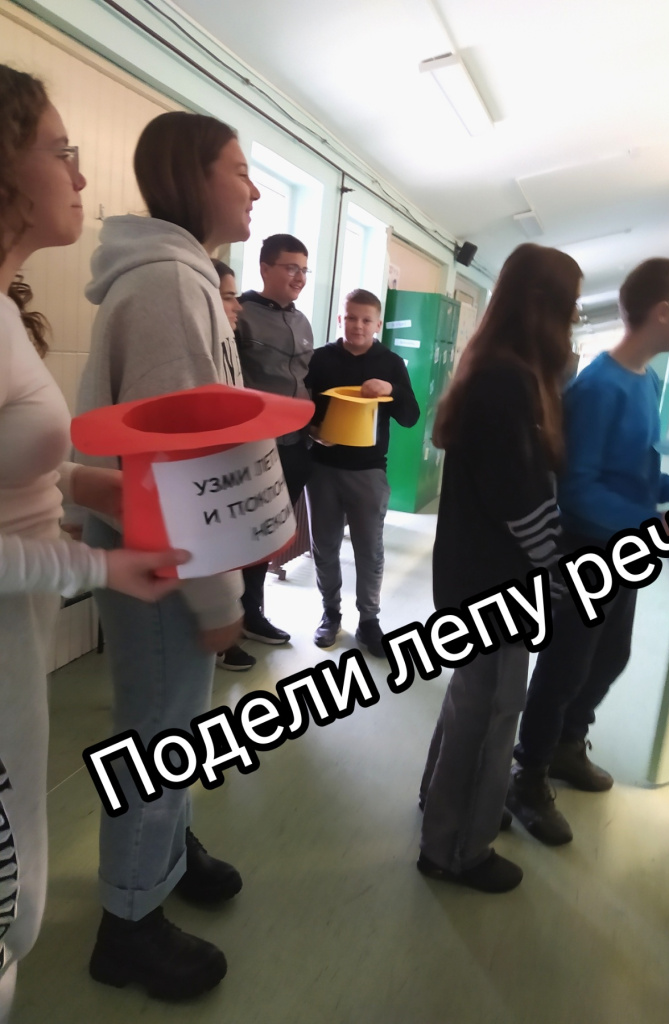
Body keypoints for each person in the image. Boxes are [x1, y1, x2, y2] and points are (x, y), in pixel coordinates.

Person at [0, 66, 188, 1022]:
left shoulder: (6, 308)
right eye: (60, 151)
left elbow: (10, 464)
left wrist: (88, 483)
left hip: (18, 637)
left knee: (18, 879)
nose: (81, 175)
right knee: (9, 893)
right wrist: (104, 565)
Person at [76, 110, 260, 1000]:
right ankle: (130, 922)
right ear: (195, 177)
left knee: (176, 722)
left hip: (165, 546)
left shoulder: (182, 278)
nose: (254, 188)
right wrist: (219, 597)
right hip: (159, 552)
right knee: (160, 733)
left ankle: (167, 851)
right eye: (240, 169)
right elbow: (177, 463)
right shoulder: (166, 288)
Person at [507, 257, 669, 846]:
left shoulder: (647, 381)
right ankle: (527, 776)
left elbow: (636, 470)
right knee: (566, 665)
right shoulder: (597, 387)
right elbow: (578, 489)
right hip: (588, 548)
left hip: (626, 548)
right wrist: (651, 521)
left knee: (611, 657)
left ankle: (567, 745)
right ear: (662, 311)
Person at [418, 243, 582, 893]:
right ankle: (456, 849)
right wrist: (562, 575)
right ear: (542, 305)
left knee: (470, 704)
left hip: (474, 577)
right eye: (570, 305)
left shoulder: (494, 369)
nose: (574, 319)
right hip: (494, 584)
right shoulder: (508, 382)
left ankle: (440, 805)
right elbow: (522, 499)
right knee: (490, 714)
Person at [305, 288, 419, 657]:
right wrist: (312, 431)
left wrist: (392, 389)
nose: (358, 325)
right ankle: (330, 613)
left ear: (377, 324)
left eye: (366, 320)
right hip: (322, 468)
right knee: (324, 546)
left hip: (369, 470)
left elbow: (411, 416)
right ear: (341, 319)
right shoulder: (319, 359)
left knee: (370, 550)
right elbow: (301, 407)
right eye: (351, 317)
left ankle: (369, 621)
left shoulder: (390, 363)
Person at [235, 233, 314, 645]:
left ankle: (253, 612)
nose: (299, 277)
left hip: (296, 446)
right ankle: (234, 615)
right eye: (290, 267)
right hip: (254, 448)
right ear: (265, 268)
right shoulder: (241, 314)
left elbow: (306, 379)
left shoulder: (302, 322)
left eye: (304, 269)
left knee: (269, 534)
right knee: (243, 534)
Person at [211, 257, 257, 673]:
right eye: (228, 297)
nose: (237, 306)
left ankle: (224, 639)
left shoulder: (228, 343)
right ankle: (220, 638)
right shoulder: (199, 348)